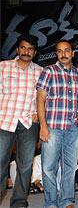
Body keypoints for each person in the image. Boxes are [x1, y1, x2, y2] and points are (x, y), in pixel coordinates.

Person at [37, 40, 78, 208]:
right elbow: (40, 100)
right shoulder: (48, 71)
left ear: (73, 53)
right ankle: (50, 203)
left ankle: (67, 201)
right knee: (49, 168)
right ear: (56, 54)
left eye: (67, 50)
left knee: (70, 167)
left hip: (74, 127)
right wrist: (43, 126)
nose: (63, 54)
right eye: (60, 51)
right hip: (53, 126)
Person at [0, 35, 43, 207]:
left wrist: (39, 114)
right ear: (17, 50)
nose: (27, 52)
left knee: (25, 165)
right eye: (23, 48)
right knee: (0, 163)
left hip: (28, 123)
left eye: (30, 49)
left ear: (35, 52)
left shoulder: (40, 72)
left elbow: (43, 98)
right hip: (4, 120)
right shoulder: (3, 67)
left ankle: (18, 202)